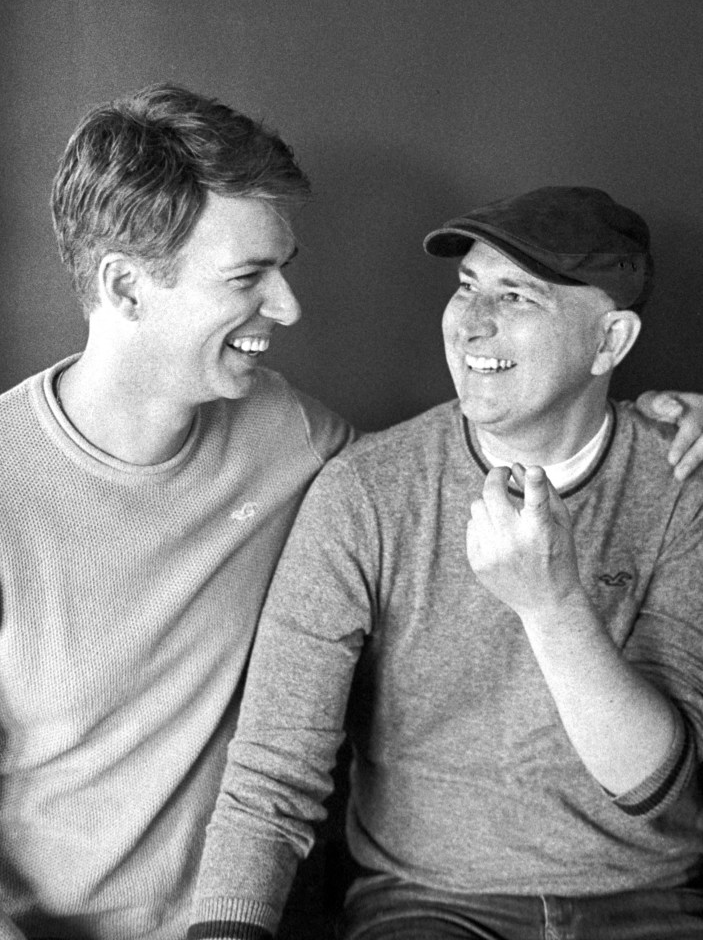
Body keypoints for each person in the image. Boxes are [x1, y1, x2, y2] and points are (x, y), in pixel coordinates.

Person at [190, 187, 703, 940]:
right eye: (466, 287)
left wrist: (549, 605)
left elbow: (651, 784)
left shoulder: (676, 484)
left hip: (642, 903)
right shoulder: (365, 492)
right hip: (428, 906)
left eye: (516, 295)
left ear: (609, 342)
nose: (472, 322)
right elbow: (273, 771)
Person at [0, 83, 354, 940]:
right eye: (246, 278)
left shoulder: (294, 435)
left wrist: (653, 427)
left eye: (283, 269)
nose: (287, 308)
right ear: (125, 289)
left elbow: (435, 490)